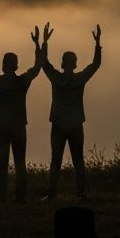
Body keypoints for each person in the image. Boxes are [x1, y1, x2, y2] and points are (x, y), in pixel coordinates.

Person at [0, 23, 45, 202]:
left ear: (3, 65)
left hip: (1, 125)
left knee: (2, 164)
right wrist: (37, 45)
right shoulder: (22, 81)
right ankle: (20, 196)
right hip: (19, 126)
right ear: (16, 65)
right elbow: (37, 68)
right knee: (20, 163)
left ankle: (0, 197)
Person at [41, 25, 102, 200]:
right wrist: (97, 43)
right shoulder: (79, 78)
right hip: (76, 124)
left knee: (55, 160)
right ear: (75, 63)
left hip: (58, 123)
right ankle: (81, 193)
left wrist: (45, 42)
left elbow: (44, 63)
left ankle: (52, 194)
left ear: (62, 63)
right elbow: (96, 65)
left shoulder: (56, 78)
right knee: (78, 160)